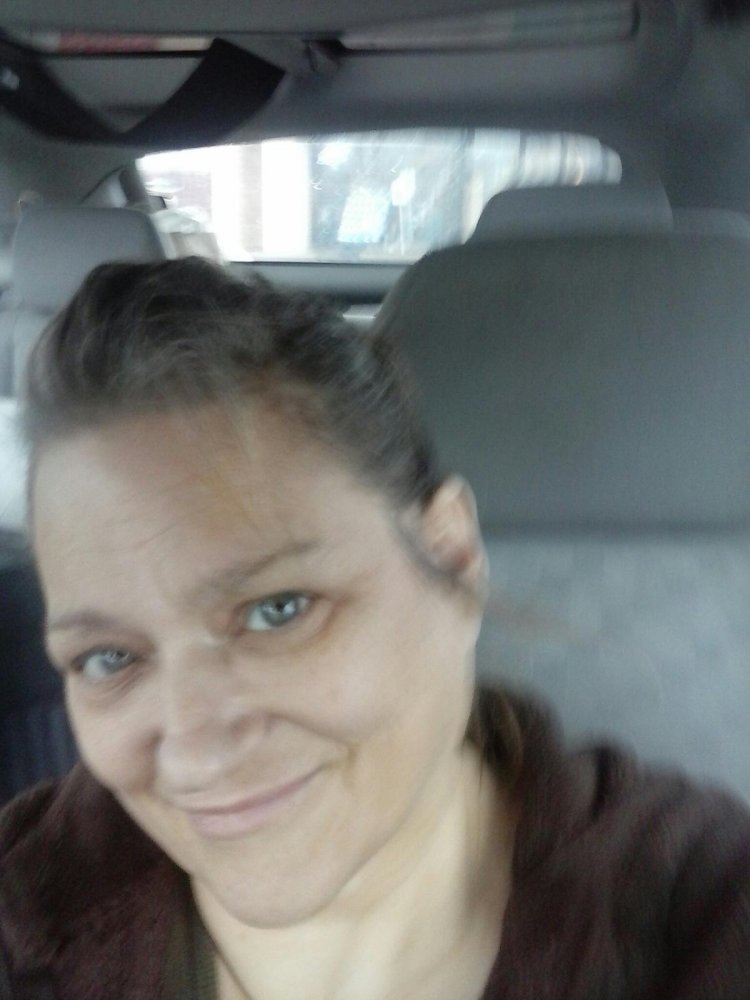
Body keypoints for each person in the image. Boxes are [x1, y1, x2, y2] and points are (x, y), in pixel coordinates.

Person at [0, 258, 747, 999]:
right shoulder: (29, 900)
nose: (195, 752)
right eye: (108, 658)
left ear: (452, 560)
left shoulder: (700, 908)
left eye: (277, 610)